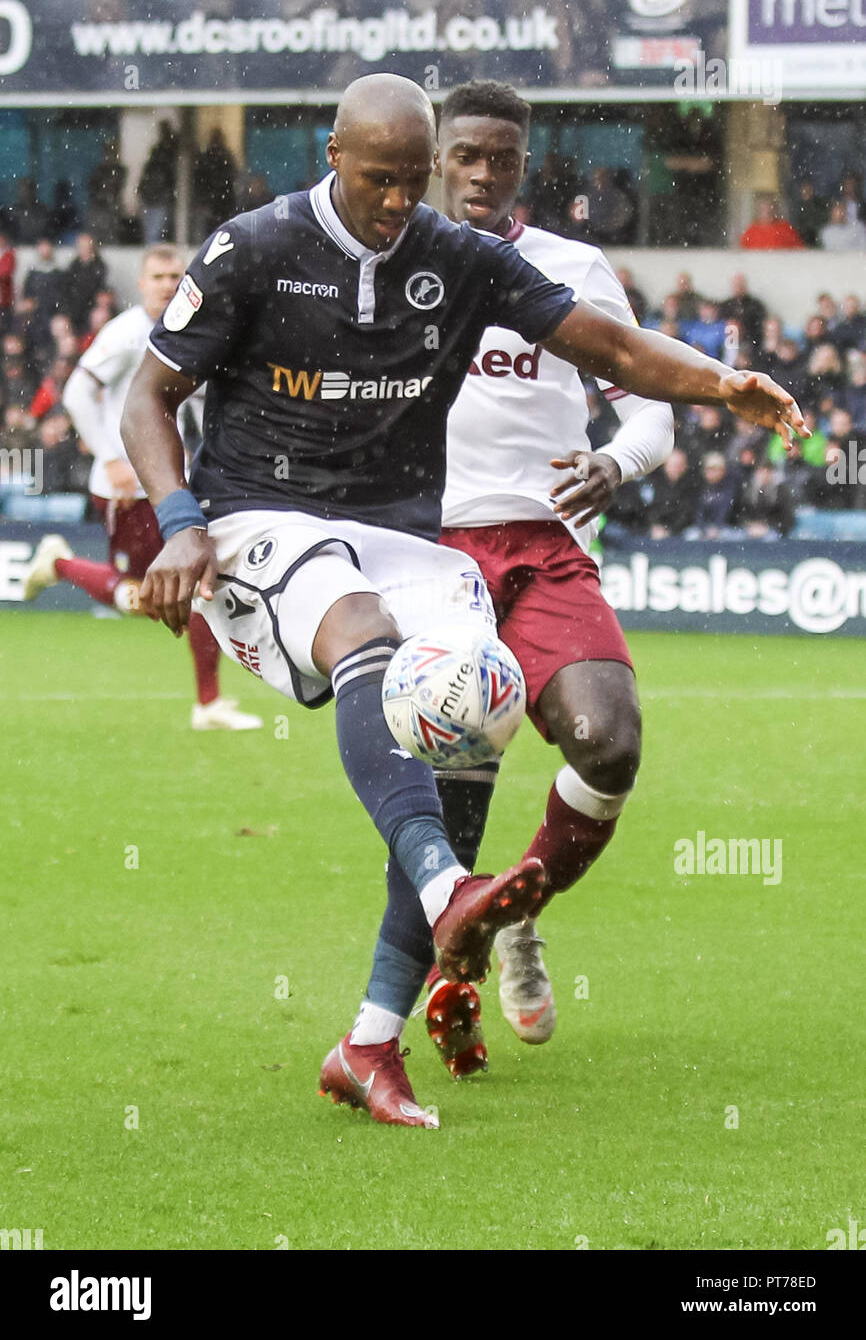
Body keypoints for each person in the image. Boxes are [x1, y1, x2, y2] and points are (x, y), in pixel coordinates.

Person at [119, 74, 805, 1130]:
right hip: (261, 517)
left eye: (411, 180)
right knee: (362, 633)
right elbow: (149, 395)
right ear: (332, 154)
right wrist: (177, 523)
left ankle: (368, 1042)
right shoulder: (251, 247)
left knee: (465, 713)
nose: (400, 202)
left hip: (408, 536)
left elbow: (616, 351)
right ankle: (454, 896)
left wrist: (722, 383)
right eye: (381, 179)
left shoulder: (459, 256)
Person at [419, 79, 674, 1073]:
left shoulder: (569, 270)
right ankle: (446, 982)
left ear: (523, 166)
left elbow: (651, 404)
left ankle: (515, 914)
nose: (484, 173)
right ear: (437, 160)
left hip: (545, 549)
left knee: (609, 743)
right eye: (467, 155)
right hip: (433, 560)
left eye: (504, 159)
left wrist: (617, 462)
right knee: (455, 800)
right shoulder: (391, 269)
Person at [23, 244, 261, 735]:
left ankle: (209, 703)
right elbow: (77, 392)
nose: (168, 285)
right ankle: (60, 563)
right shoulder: (126, 333)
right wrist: (109, 456)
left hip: (171, 484)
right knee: (149, 599)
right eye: (158, 277)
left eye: (176, 276)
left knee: (200, 584)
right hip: (127, 489)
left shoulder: (191, 331)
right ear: (141, 283)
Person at [739, 196, 805, 251]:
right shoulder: (750, 232)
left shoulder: (785, 229)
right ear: (758, 211)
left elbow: (800, 251)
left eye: (769, 208)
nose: (766, 212)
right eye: (763, 209)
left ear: (775, 210)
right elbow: (743, 254)